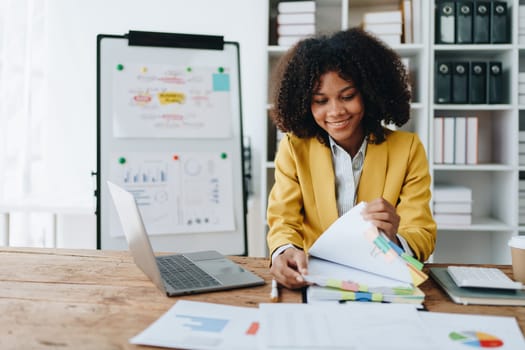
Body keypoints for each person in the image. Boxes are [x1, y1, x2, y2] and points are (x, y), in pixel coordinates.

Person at [266, 28, 437, 289]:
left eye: (347, 96)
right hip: (315, 280)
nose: (335, 111)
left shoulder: (408, 149)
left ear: (368, 93)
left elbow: (422, 232)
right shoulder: (294, 148)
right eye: (320, 101)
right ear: (304, 103)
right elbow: (283, 220)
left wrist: (393, 236)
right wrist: (283, 251)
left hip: (383, 280)